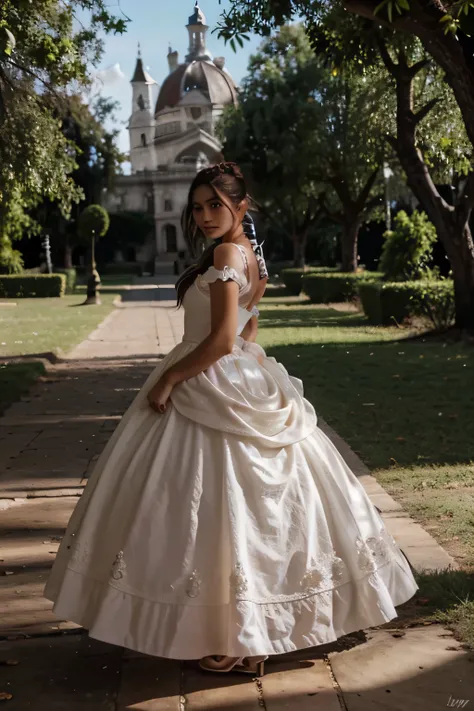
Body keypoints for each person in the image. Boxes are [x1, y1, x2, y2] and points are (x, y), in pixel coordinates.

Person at [44, 162, 418, 677]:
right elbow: (247, 328)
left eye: (214, 205)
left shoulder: (225, 254)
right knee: (235, 509)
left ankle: (244, 636)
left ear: (240, 205)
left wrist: (173, 379)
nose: (204, 215)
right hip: (231, 374)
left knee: (210, 505)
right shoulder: (250, 255)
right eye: (197, 208)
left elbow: (221, 339)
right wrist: (246, 367)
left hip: (208, 373)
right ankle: (250, 629)